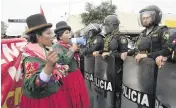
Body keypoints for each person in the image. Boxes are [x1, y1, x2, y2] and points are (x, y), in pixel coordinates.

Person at [20, 14, 71, 108]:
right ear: (38, 36)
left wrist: (59, 67)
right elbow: (34, 86)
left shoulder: (45, 49)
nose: (52, 36)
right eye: (48, 33)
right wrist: (48, 67)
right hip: (41, 102)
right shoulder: (29, 57)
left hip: (52, 95)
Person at [52, 21, 90, 108]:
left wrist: (76, 50)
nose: (70, 35)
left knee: (79, 100)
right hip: (67, 78)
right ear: (60, 36)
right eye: (67, 33)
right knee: (68, 101)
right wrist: (72, 50)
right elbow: (63, 62)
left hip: (76, 75)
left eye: (69, 32)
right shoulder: (57, 47)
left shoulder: (69, 45)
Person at [101, 15, 128, 107]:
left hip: (118, 69)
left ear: (112, 25)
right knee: (110, 90)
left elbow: (124, 55)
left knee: (118, 91)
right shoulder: (109, 37)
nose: (105, 28)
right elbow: (107, 50)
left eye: (107, 25)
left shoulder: (121, 37)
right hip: (109, 67)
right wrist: (99, 52)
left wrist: (110, 54)